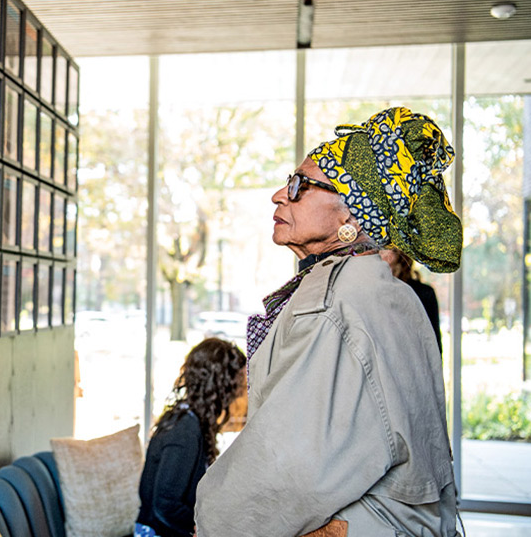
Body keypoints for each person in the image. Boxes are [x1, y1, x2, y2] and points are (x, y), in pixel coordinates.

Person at [195, 108, 462, 536]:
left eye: (301, 184)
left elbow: (287, 464)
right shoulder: (386, 292)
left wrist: (212, 520)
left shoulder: (338, 300)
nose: (280, 195)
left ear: (350, 217)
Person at [136, 338, 247, 537]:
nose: (240, 392)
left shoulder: (186, 418)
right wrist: (203, 527)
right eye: (237, 383)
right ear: (221, 385)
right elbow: (165, 504)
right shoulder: (185, 431)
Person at [381, 247, 443, 352]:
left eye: (387, 249)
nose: (382, 254)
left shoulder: (423, 293)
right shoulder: (372, 291)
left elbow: (433, 342)